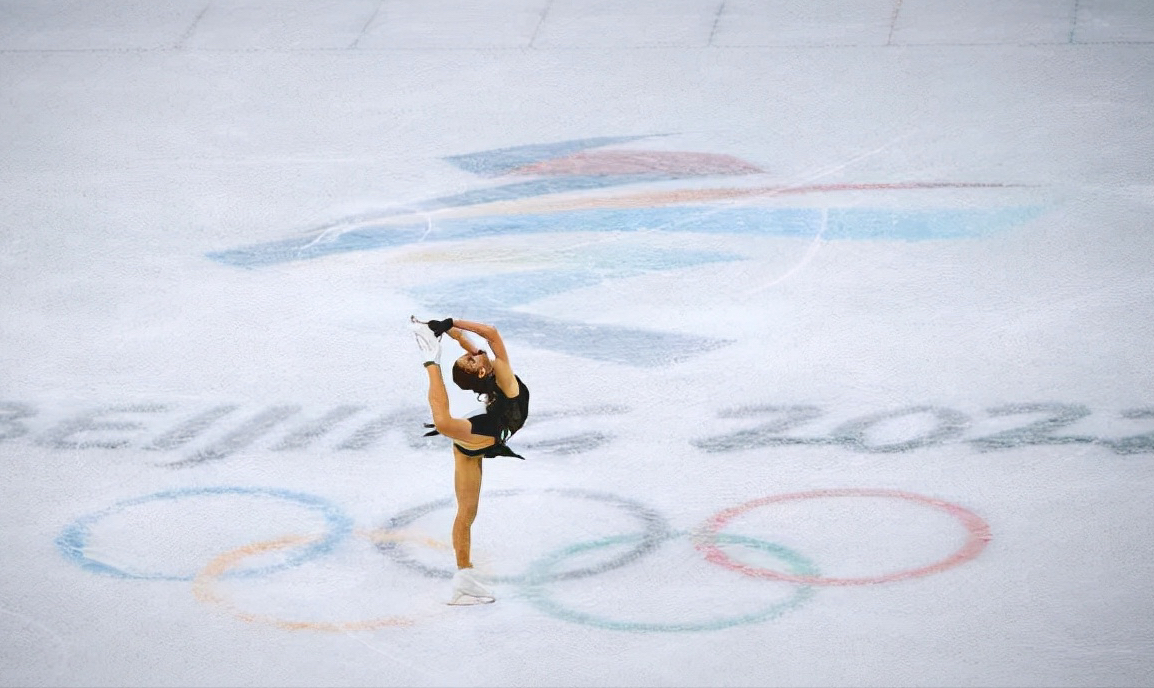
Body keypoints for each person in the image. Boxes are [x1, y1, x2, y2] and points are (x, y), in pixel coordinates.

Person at [410, 315, 530, 605]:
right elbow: (491, 332)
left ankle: (464, 580)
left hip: (478, 438)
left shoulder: (486, 368)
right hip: (486, 433)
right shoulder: (502, 373)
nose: (472, 353)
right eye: (471, 359)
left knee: (466, 513)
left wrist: (445, 328)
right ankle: (430, 361)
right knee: (443, 424)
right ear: (481, 372)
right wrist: (453, 321)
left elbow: (469, 342)